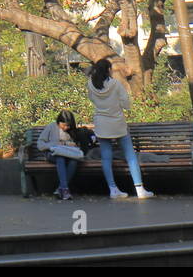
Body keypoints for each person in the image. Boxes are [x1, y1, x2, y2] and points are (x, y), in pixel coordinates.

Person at [86, 59, 155, 199]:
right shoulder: (115, 84)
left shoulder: (91, 84)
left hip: (101, 123)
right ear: (108, 70)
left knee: (106, 157)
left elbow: (91, 99)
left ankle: (113, 189)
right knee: (130, 156)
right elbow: (126, 103)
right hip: (117, 122)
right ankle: (139, 189)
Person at [37, 110, 97, 201]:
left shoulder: (72, 131)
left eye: (68, 125)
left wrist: (71, 144)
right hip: (52, 154)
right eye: (63, 125)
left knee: (74, 161)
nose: (65, 127)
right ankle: (65, 189)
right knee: (60, 158)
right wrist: (54, 145)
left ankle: (60, 188)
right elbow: (40, 144)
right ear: (58, 122)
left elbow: (78, 142)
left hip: (68, 154)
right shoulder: (51, 127)